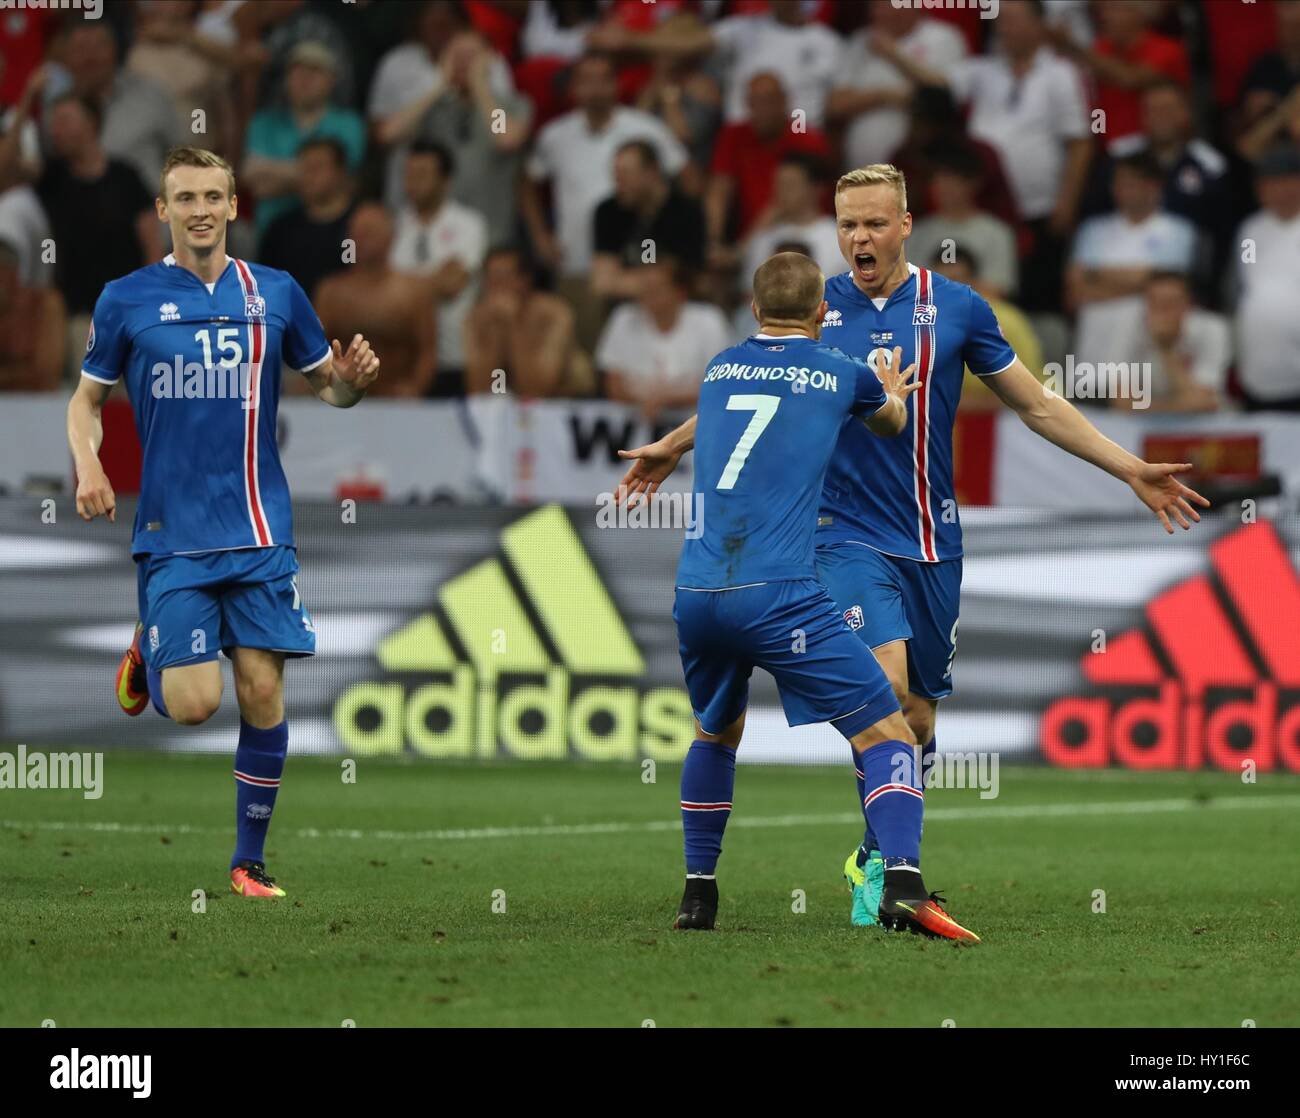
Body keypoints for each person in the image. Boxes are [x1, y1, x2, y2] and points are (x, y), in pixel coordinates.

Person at [619, 164, 1209, 929]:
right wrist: (672, 443)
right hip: (841, 538)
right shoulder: (810, 307)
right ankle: (901, 881)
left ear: (904, 226)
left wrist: (1129, 468)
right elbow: (755, 389)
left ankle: (874, 863)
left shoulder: (956, 308)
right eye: (847, 225)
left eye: (872, 223)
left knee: (921, 722)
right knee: (888, 690)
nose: (858, 238)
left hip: (932, 539)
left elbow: (1035, 405)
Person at [624, 250, 983, 942]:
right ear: (823, 314)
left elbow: (737, 419)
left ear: (755, 312)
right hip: (780, 597)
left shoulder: (720, 367)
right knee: (892, 731)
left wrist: (669, 444)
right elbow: (891, 426)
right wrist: (892, 390)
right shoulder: (839, 371)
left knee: (715, 732)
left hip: (697, 592)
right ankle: (901, 883)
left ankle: (699, 894)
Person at [67, 146, 380, 899]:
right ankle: (149, 644)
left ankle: (248, 862)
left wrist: (351, 385)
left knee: (262, 692)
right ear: (164, 211)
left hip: (261, 530)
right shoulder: (125, 299)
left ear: (234, 206)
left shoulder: (275, 293)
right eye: (185, 197)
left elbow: (326, 391)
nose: (201, 209)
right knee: (192, 707)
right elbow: (86, 403)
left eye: (214, 195)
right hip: (174, 534)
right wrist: (89, 464)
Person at [387, 140, 488, 394]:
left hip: (456, 355)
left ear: (445, 180)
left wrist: (400, 286)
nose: (412, 182)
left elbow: (452, 284)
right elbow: (381, 290)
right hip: (405, 358)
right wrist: (434, 279)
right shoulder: (393, 227)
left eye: (422, 174)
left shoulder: (469, 224)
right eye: (408, 175)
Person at [314, 202, 437, 398]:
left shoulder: (414, 291)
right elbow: (315, 348)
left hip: (397, 399)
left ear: (390, 238)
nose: (360, 239)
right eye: (355, 233)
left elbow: (427, 351)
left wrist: (415, 388)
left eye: (369, 233)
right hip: (343, 395)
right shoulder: (331, 292)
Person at [595, 258, 730, 419]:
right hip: (636, 425)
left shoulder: (710, 320)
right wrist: (645, 402)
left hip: (698, 426)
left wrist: (666, 400)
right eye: (644, 287)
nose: (647, 294)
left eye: (657, 289)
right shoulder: (623, 318)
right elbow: (613, 384)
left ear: (680, 292)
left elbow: (723, 384)